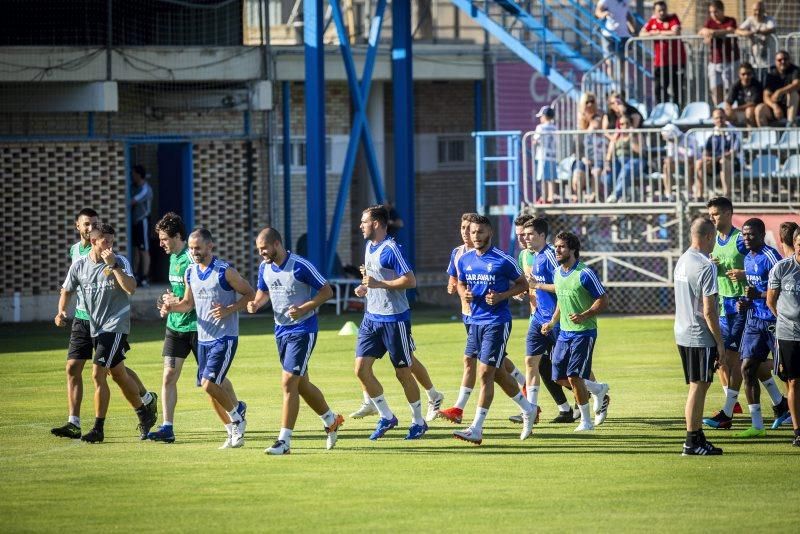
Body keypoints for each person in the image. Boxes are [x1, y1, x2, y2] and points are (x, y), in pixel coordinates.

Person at [51, 210, 156, 440]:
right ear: (92, 241)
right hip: (88, 323)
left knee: (98, 373)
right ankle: (144, 411)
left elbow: (130, 288)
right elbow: (67, 289)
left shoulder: (119, 261)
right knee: (117, 374)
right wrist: (61, 311)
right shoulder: (78, 264)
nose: (109, 245)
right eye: (104, 241)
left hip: (114, 325)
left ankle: (98, 429)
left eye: (111, 241)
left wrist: (115, 266)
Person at [146, 213, 244, 444]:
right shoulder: (173, 259)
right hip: (176, 326)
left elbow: (196, 297)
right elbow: (180, 295)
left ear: (177, 237)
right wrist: (167, 304)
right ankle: (167, 427)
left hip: (200, 328)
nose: (161, 244)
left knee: (212, 380)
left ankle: (237, 409)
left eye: (164, 239)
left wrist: (227, 308)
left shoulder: (194, 260)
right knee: (169, 375)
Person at [247, 227, 344, 455]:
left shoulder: (300, 265)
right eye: (259, 250)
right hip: (280, 331)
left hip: (303, 329)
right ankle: (331, 420)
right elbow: (263, 292)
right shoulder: (265, 268)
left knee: (288, 382)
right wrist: (255, 304)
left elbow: (327, 291)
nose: (262, 254)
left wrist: (303, 309)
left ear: (277, 244)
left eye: (264, 249)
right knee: (302, 385)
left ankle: (284, 442)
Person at [452, 215, 536, 445]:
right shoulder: (465, 259)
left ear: (489, 233)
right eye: (472, 232)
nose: (475, 236)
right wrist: (464, 293)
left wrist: (502, 296)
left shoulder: (503, 259)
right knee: (498, 374)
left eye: (480, 232)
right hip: (474, 322)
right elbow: (460, 282)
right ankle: (528, 409)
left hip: (497, 322)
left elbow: (523, 284)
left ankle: (476, 428)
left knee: (485, 374)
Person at [352, 205, 431, 440]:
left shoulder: (391, 249)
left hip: (395, 320)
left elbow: (410, 280)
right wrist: (365, 287)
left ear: (376, 223)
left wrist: (379, 285)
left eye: (364, 222)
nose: (361, 226)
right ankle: (386, 416)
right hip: (371, 319)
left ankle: (418, 421)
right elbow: (374, 279)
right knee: (361, 370)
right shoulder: (369, 246)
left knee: (403, 373)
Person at [522, 217, 594, 424]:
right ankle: (531, 410)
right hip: (539, 318)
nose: (525, 238)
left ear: (542, 236)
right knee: (532, 362)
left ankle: (596, 392)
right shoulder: (533, 257)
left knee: (570, 370)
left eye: (529, 234)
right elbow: (536, 285)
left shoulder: (551, 256)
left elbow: (562, 285)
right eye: (523, 234)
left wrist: (538, 287)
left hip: (559, 320)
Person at [541, 232, 610, 432]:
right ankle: (598, 389)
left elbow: (603, 299)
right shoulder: (556, 273)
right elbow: (562, 302)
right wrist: (552, 323)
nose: (557, 250)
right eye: (556, 246)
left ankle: (586, 422)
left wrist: (585, 314)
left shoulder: (585, 273)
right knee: (558, 377)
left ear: (572, 250)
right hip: (564, 333)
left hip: (584, 332)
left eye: (561, 246)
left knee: (574, 377)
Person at [673, 217, 724, 456]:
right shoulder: (706, 265)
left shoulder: (683, 259)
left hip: (682, 331)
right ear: (708, 237)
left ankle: (698, 437)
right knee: (698, 387)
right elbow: (709, 310)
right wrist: (720, 343)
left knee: (697, 385)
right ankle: (691, 442)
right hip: (698, 334)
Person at [737, 218, 791, 437]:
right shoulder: (747, 259)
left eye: (750, 234)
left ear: (761, 234)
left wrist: (758, 295)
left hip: (773, 321)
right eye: (744, 234)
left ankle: (792, 413)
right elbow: (753, 289)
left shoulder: (772, 257)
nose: (746, 238)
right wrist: (746, 301)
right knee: (747, 368)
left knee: (787, 373)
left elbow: (782, 294)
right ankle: (757, 425)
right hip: (754, 319)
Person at [766, 226, 800, 447]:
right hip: (789, 335)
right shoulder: (782, 268)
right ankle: (798, 431)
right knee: (794, 382)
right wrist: (786, 321)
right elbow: (771, 301)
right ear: (795, 243)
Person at [640, 1, 687, 107]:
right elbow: (642, 33)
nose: (662, 13)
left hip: (677, 61)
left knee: (677, 88)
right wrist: (658, 33)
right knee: (660, 89)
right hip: (660, 63)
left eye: (663, 10)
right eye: (659, 11)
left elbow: (676, 32)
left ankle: (677, 110)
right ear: (654, 12)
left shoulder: (673, 18)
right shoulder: (652, 21)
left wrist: (657, 32)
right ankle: (663, 110)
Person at [694, 109, 741, 200]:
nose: (719, 120)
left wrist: (716, 159)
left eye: (721, 117)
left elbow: (732, 153)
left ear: (725, 117)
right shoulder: (711, 134)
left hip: (732, 163)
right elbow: (705, 152)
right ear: (713, 120)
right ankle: (699, 195)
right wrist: (706, 158)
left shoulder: (734, 132)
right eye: (716, 118)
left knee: (723, 161)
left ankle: (727, 196)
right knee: (699, 163)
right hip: (714, 163)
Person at [699, 0, 739, 107]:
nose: (713, 14)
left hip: (730, 60)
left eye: (716, 12)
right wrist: (707, 32)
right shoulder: (709, 22)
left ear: (722, 11)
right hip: (714, 61)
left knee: (729, 89)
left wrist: (714, 33)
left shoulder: (730, 20)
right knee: (715, 88)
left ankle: (729, 111)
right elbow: (702, 31)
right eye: (711, 12)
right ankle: (719, 110)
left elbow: (731, 30)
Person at [603, 114, 647, 203]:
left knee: (626, 169)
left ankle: (615, 195)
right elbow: (609, 153)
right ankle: (608, 199)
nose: (625, 126)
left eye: (627, 123)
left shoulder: (637, 135)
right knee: (608, 176)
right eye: (622, 124)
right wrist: (607, 164)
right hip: (619, 161)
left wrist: (631, 138)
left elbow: (640, 151)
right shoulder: (617, 137)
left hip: (635, 160)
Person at [756, 51, 800, 127]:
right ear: (775, 62)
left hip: (793, 109)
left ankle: (789, 125)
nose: (783, 62)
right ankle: (764, 135)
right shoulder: (771, 75)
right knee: (759, 108)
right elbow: (765, 96)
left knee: (793, 93)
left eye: (785, 59)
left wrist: (779, 92)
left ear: (789, 60)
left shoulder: (795, 70)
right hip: (777, 109)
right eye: (780, 60)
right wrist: (775, 107)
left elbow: (796, 85)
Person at [736, 1, 776, 84]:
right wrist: (747, 33)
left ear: (764, 10)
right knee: (756, 88)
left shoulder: (769, 19)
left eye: (760, 10)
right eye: (755, 10)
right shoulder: (750, 20)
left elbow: (772, 29)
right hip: (754, 63)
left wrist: (758, 32)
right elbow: (737, 31)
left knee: (767, 87)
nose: (757, 12)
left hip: (769, 63)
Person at [660, 124, 700, 202]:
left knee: (688, 165)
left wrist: (676, 160)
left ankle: (689, 194)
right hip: (679, 165)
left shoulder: (690, 139)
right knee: (666, 166)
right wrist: (669, 160)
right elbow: (670, 157)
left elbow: (691, 158)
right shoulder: (671, 141)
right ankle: (669, 194)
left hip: (693, 165)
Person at [595, 0, 635, 75]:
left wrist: (633, 30)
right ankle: (613, 83)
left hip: (623, 35)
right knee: (609, 62)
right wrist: (603, 14)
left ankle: (621, 84)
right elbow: (597, 12)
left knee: (622, 62)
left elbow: (628, 15)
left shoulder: (626, 1)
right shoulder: (606, 1)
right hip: (609, 34)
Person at [130, 165, 153, 286]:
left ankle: (145, 277)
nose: (132, 176)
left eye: (133, 174)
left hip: (142, 221)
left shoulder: (146, 188)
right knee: (136, 250)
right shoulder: (134, 187)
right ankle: (136, 275)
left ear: (139, 175)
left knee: (144, 249)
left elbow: (132, 201)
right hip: (134, 222)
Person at [724, 62, 763, 127]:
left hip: (754, 112)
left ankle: (751, 135)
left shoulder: (756, 85)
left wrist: (735, 109)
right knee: (726, 114)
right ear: (739, 75)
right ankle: (732, 134)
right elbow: (728, 102)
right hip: (740, 112)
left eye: (748, 74)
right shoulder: (736, 85)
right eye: (743, 74)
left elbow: (753, 103)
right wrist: (728, 109)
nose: (746, 76)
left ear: (752, 74)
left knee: (749, 111)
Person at [532, 106, 558, 204]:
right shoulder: (554, 127)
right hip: (552, 155)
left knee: (543, 178)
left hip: (543, 155)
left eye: (541, 116)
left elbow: (536, 139)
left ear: (544, 116)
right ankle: (551, 197)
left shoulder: (540, 127)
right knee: (551, 178)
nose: (540, 118)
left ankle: (544, 197)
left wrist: (534, 141)